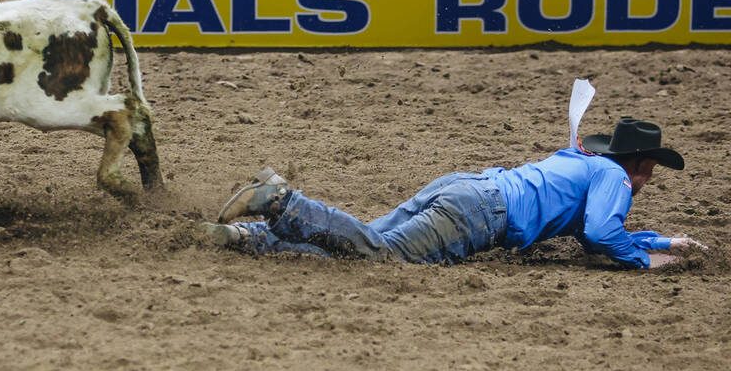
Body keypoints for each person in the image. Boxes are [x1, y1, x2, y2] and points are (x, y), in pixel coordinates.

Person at [203, 117, 707, 269]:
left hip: (468, 187)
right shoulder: (615, 179)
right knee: (381, 254)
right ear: (641, 165)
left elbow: (600, 234)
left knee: (360, 240)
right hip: (482, 214)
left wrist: (660, 242)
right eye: (650, 171)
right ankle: (282, 202)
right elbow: (601, 232)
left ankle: (246, 238)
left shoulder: (585, 161)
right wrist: (645, 261)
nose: (646, 181)